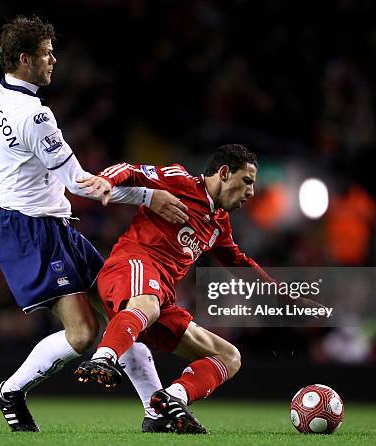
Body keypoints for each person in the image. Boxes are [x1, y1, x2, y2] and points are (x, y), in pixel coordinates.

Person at [0, 15, 189, 433]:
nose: (53, 60)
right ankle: (10, 391)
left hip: (53, 227)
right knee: (83, 334)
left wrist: (11, 162)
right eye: (46, 54)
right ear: (24, 59)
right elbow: (84, 186)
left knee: (122, 311)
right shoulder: (35, 116)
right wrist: (151, 195)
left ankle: (157, 409)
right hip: (32, 229)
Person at [75, 144, 262, 433]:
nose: (251, 192)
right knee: (146, 304)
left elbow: (238, 261)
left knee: (230, 356)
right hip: (130, 266)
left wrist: (281, 291)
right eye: (247, 181)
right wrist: (106, 180)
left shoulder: (219, 224)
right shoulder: (181, 181)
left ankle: (171, 400)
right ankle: (103, 358)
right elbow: (132, 170)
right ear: (224, 173)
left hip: (160, 299)